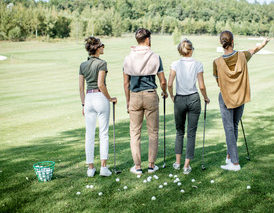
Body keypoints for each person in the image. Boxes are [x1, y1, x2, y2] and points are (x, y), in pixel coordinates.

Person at [213, 31, 269, 171]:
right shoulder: (242, 56)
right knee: (234, 126)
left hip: (226, 98)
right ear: (233, 41)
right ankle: (230, 156)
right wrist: (263, 44)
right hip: (240, 97)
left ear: (221, 43)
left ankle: (235, 163)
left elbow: (218, 82)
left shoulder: (217, 62)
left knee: (229, 128)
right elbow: (254, 50)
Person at [123, 28, 168, 175]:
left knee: (135, 133)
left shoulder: (128, 57)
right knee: (153, 132)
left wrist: (128, 101)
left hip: (135, 96)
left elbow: (126, 83)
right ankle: (151, 165)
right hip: (150, 96)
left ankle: (137, 166)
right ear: (147, 39)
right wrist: (165, 91)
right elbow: (162, 80)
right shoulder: (155, 57)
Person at [168, 38, 210, 174]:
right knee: (191, 133)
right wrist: (206, 97)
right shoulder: (198, 64)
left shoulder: (175, 64)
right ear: (191, 50)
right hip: (193, 99)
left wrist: (172, 96)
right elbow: (202, 86)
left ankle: (177, 163)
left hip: (179, 99)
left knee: (179, 132)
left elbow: (169, 84)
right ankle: (186, 166)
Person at [79, 37, 117, 177]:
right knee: (103, 134)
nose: (103, 48)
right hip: (100, 98)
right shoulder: (102, 63)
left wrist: (83, 104)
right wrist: (110, 98)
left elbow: (81, 88)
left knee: (89, 135)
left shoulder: (83, 65)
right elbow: (101, 84)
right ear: (97, 48)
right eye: (102, 46)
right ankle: (103, 168)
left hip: (88, 98)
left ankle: (90, 169)